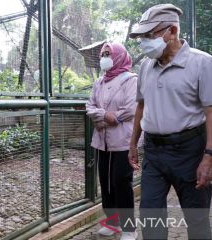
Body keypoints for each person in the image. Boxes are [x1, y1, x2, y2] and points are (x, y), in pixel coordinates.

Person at [128, 3, 212, 239]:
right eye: (143, 36)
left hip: (190, 151)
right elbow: (141, 106)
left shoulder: (202, 63)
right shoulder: (146, 67)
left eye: (150, 35)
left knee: (197, 221)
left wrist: (209, 157)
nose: (144, 41)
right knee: (150, 218)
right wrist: (133, 144)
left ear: (172, 31)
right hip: (153, 152)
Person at [86, 42, 138, 240]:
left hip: (123, 140)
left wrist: (112, 117)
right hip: (102, 140)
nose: (105, 57)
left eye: (108, 54)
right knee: (106, 182)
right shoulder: (99, 82)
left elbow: (131, 109)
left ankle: (129, 228)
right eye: (103, 54)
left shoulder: (130, 79)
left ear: (119, 56)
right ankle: (113, 222)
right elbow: (90, 106)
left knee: (121, 182)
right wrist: (105, 115)